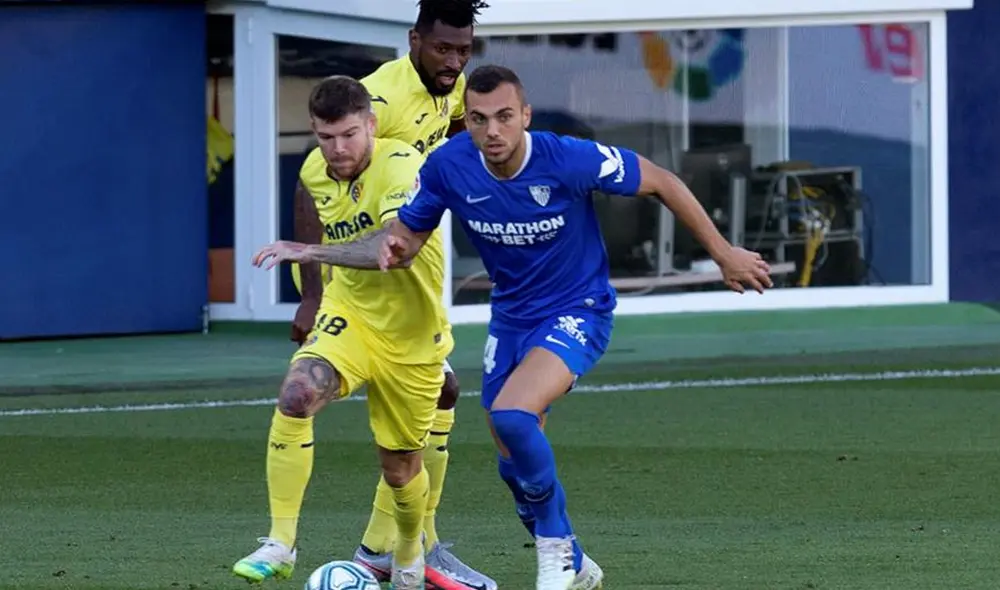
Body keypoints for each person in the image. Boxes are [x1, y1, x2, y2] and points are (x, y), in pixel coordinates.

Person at [378, 65, 775, 590]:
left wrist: (723, 254)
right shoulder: (449, 166)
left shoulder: (567, 158)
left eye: (503, 117)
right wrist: (323, 252)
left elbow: (662, 180)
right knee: (511, 459)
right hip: (511, 317)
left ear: (525, 116)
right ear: (466, 122)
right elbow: (404, 236)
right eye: (478, 119)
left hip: (578, 308)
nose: (492, 130)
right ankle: (580, 565)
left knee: (514, 416)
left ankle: (555, 549)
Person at [286, 2, 496, 588]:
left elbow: (454, 130)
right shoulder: (378, 101)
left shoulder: (448, 89)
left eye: (464, 49)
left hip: (411, 267)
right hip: (364, 279)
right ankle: (409, 547)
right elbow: (313, 190)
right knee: (435, 394)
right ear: (414, 40)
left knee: (446, 391)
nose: (454, 62)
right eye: (443, 49)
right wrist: (310, 295)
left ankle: (397, 547)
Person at [232, 75, 458, 590]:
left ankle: (407, 555)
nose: (337, 149)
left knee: (402, 468)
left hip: (411, 333)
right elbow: (312, 215)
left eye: (349, 135)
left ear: (371, 125)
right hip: (350, 314)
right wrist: (312, 293)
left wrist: (307, 253)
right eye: (325, 137)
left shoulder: (402, 166)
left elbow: (393, 251)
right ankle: (280, 543)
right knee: (296, 394)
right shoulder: (316, 169)